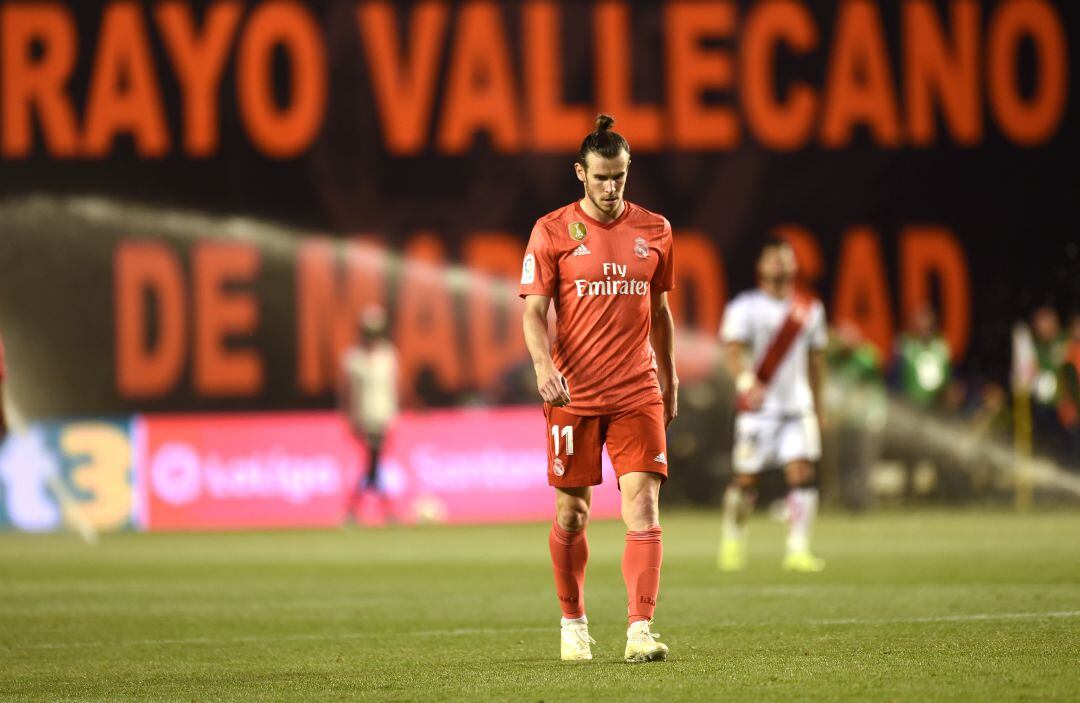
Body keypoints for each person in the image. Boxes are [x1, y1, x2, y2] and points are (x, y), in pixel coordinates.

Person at [520, 115, 677, 663]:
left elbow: (660, 311)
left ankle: (639, 630)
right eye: (602, 177)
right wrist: (543, 366)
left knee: (644, 504)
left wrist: (671, 375)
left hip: (637, 390)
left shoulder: (656, 230)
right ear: (580, 173)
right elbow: (534, 313)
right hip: (574, 394)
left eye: (621, 177)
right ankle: (573, 622)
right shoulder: (552, 231)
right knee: (573, 516)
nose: (612, 189)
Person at [719, 237, 827, 573]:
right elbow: (733, 352)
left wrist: (819, 406)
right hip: (759, 411)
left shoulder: (810, 310)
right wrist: (744, 381)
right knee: (746, 481)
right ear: (761, 266)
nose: (780, 263)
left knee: (802, 473)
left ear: (795, 266)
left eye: (786, 258)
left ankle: (798, 549)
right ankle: (733, 539)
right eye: (773, 258)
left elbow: (816, 362)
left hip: (797, 408)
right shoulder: (745, 306)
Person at [339, 306, 399, 525]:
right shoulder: (353, 358)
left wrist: (396, 415)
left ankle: (355, 510)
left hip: (384, 417)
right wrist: (348, 418)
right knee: (372, 463)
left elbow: (394, 388)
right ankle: (385, 509)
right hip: (363, 418)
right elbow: (347, 392)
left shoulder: (388, 355)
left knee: (372, 464)